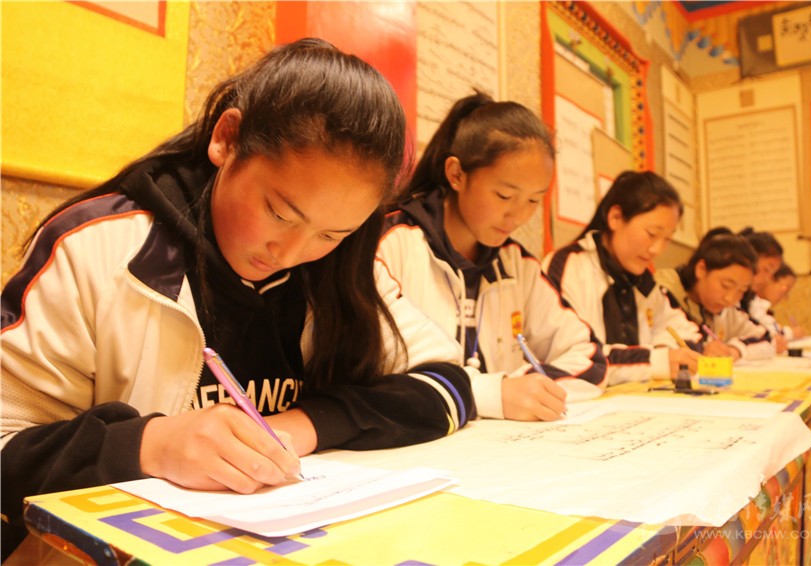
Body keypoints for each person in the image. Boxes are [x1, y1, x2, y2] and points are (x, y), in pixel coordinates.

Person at [1, 38, 473, 559]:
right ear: (227, 139)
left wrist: (303, 426)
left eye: (331, 234)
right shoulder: (102, 250)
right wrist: (150, 445)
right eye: (279, 213)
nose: (290, 253)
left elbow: (448, 384)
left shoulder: (337, 271)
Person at [377, 91, 607, 422]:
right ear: (456, 175)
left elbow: (590, 358)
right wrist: (489, 393)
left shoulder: (518, 266)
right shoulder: (391, 244)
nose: (518, 216)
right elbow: (371, 368)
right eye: (504, 195)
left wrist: (525, 387)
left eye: (534, 201)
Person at [543, 170, 702, 385]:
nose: (657, 249)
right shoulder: (570, 267)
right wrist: (657, 360)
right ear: (615, 217)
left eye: (667, 239)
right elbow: (580, 357)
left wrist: (667, 349)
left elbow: (689, 333)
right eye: (652, 234)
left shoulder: (644, 281)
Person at [655, 228, 775, 361]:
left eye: (742, 290)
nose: (729, 299)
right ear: (701, 269)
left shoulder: (727, 310)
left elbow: (767, 338)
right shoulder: (663, 294)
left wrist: (735, 349)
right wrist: (703, 348)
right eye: (726, 285)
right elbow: (661, 342)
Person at [748, 262, 805, 351]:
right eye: (785, 288)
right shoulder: (749, 302)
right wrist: (790, 333)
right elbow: (764, 333)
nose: (785, 296)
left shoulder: (760, 305)